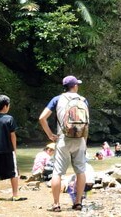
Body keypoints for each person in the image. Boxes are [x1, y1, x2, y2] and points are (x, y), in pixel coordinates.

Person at [39, 75, 89, 212]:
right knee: (80, 171)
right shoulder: (83, 100)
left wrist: (50, 135)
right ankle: (78, 202)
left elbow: (42, 118)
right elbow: (86, 124)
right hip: (80, 139)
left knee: (57, 172)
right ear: (75, 86)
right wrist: (85, 142)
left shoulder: (57, 99)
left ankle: (56, 204)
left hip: (63, 139)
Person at [0, 94, 25, 202]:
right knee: (13, 172)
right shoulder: (9, 119)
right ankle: (15, 194)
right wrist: (14, 149)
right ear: (5, 106)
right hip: (8, 150)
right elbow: (12, 135)